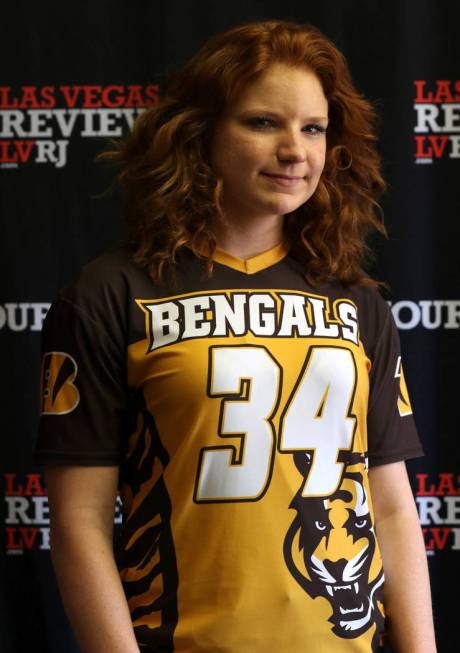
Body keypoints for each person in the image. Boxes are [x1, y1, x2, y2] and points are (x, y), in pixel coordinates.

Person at [35, 20, 437, 653]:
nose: (294, 151)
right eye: (262, 123)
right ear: (201, 132)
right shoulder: (113, 291)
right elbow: (80, 520)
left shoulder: (356, 299)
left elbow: (389, 503)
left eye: (312, 128)